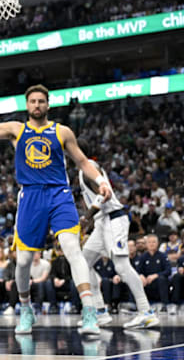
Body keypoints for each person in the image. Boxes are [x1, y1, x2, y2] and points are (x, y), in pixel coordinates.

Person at [0, 84, 113, 335]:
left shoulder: (62, 132)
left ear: (48, 105)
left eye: (41, 101)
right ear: (27, 105)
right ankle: (26, 309)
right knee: (24, 261)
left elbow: (82, 161)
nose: (37, 105)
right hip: (30, 196)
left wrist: (102, 181)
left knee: (73, 249)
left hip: (58, 194)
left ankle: (90, 312)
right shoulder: (16, 129)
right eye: (33, 101)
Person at [77, 138, 159, 328]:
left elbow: (103, 195)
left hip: (113, 219)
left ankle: (146, 311)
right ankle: (100, 311)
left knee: (122, 267)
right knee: (82, 263)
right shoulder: (85, 169)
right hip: (102, 222)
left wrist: (86, 217)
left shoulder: (88, 166)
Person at [137, 235, 174, 315]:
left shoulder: (162, 256)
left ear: (157, 243)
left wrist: (156, 275)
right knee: (136, 280)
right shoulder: (143, 257)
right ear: (146, 244)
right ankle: (138, 305)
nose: (151, 244)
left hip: (160, 284)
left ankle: (164, 305)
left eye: (154, 242)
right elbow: (137, 270)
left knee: (161, 279)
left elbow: (168, 271)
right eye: (149, 242)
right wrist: (140, 275)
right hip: (148, 284)